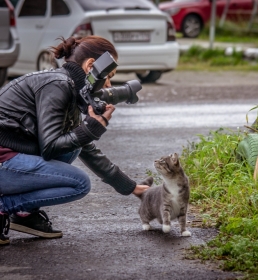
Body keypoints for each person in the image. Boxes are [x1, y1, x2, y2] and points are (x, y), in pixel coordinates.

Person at [0, 35, 149, 245]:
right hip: (3, 160)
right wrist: (91, 128)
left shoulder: (69, 87)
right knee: (79, 183)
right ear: (91, 66)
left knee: (72, 147)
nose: (108, 84)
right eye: (109, 76)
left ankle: (25, 213)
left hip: (10, 157)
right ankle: (6, 206)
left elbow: (84, 146)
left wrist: (129, 186)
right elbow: (51, 147)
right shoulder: (57, 84)